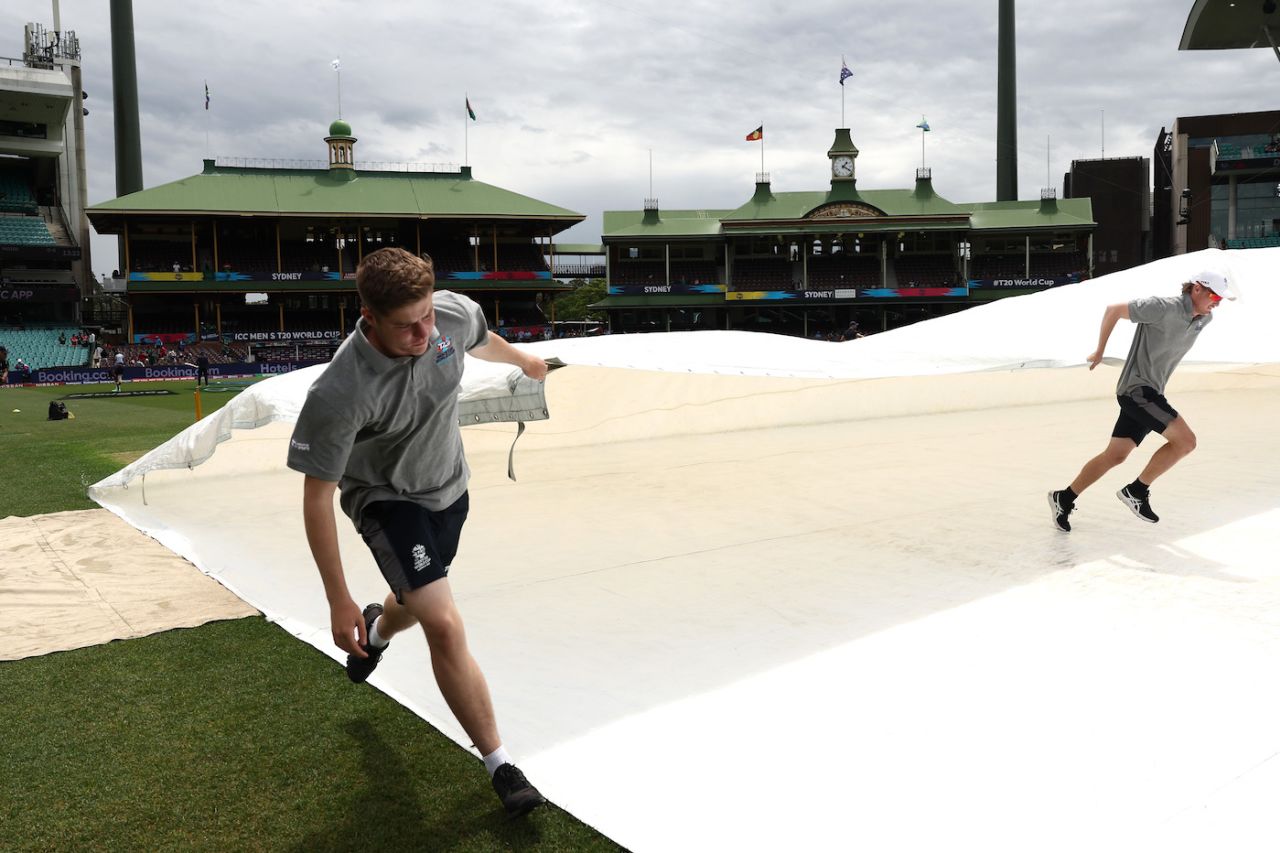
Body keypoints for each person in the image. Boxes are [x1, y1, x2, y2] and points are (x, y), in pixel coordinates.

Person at [286, 248, 549, 816]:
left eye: (427, 316)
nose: (425, 333)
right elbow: (316, 499)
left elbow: (481, 337)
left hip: (450, 489)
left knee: (416, 598)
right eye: (407, 325)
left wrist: (522, 360)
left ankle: (379, 631)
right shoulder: (339, 392)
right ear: (369, 315)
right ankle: (502, 765)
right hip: (385, 500)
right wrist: (337, 599)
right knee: (444, 623)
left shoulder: (448, 316)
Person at [1048, 271, 1235, 531]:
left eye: (1221, 299)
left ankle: (1063, 498)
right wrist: (1100, 350)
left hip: (1151, 393)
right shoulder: (1162, 308)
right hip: (1138, 390)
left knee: (1115, 456)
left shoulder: (1205, 319)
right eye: (1214, 295)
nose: (1217, 302)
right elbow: (1113, 310)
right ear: (1196, 289)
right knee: (1186, 441)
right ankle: (1136, 490)